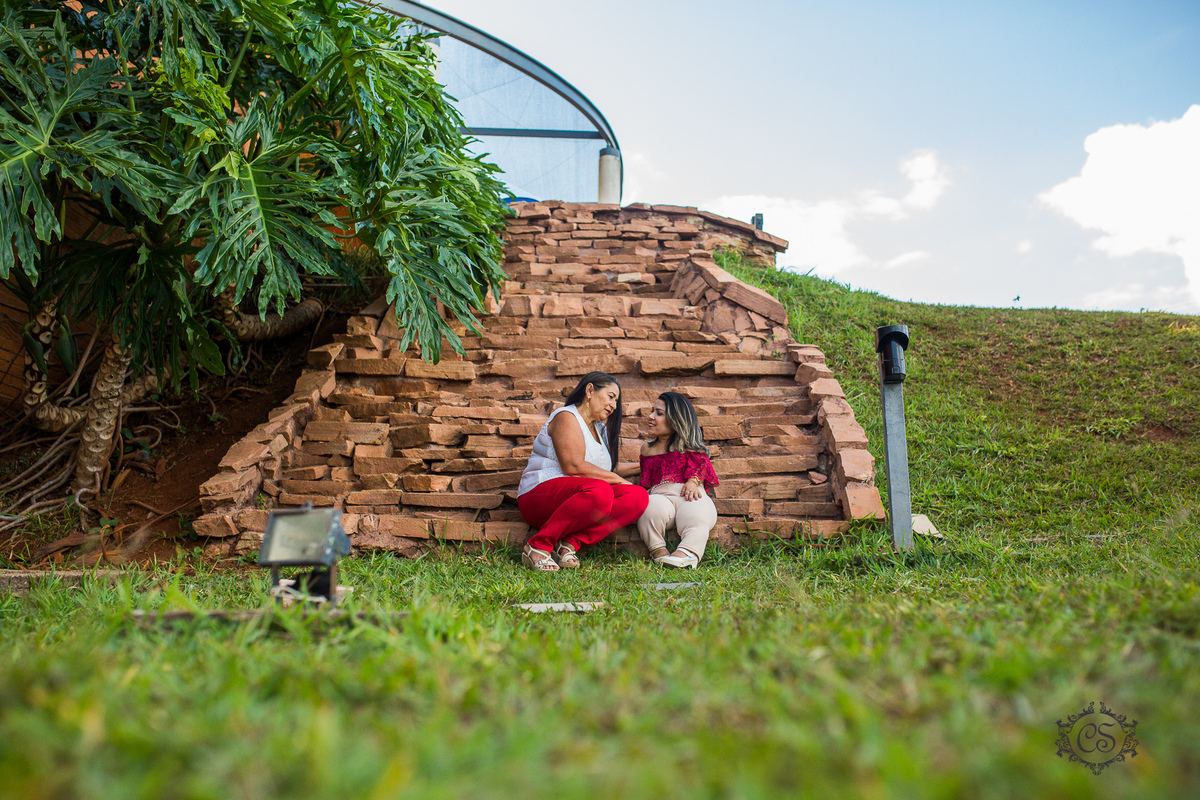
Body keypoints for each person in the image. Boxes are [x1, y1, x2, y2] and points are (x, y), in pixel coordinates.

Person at [517, 372, 649, 571]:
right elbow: (573, 466)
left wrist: (648, 464)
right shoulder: (566, 417)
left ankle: (568, 545)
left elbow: (606, 470)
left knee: (637, 496)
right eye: (611, 396)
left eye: (616, 400)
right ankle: (538, 546)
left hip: (583, 496)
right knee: (601, 490)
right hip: (538, 495)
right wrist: (618, 480)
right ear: (589, 391)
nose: (614, 405)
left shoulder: (600, 430)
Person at [637, 391, 720, 569]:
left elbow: (701, 467)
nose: (651, 417)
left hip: (687, 496)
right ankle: (658, 551)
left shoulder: (690, 447)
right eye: (653, 411)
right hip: (660, 497)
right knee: (648, 506)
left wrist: (693, 482)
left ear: (676, 420)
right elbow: (647, 478)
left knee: (698, 514)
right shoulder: (647, 449)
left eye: (659, 413)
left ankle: (687, 553)